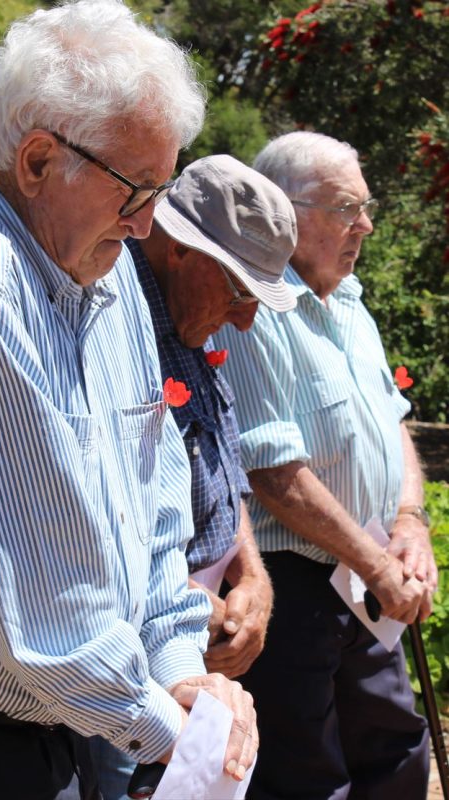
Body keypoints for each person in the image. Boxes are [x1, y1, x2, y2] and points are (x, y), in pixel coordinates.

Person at [0, 3, 257, 799]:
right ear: (38, 161)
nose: (148, 224)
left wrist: (180, 672)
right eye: (135, 188)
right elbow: (46, 613)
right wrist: (177, 728)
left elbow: (156, 517)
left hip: (55, 738)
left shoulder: (106, 287)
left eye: (161, 187)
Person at [217, 130, 438, 800]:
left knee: (398, 751)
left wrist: (409, 520)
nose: (365, 225)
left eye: (366, 208)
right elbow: (273, 473)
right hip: (294, 587)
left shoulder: (348, 300)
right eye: (348, 208)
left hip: (364, 575)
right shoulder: (252, 306)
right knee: (305, 776)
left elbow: (390, 419)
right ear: (285, 211)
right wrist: (377, 566)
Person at [84, 154, 299, 800]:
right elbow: (99, 514)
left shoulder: (188, 322)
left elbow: (222, 469)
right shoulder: (111, 324)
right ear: (179, 249)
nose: (245, 319)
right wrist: (186, 603)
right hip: (134, 679)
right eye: (239, 292)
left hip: (194, 658)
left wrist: (253, 578)